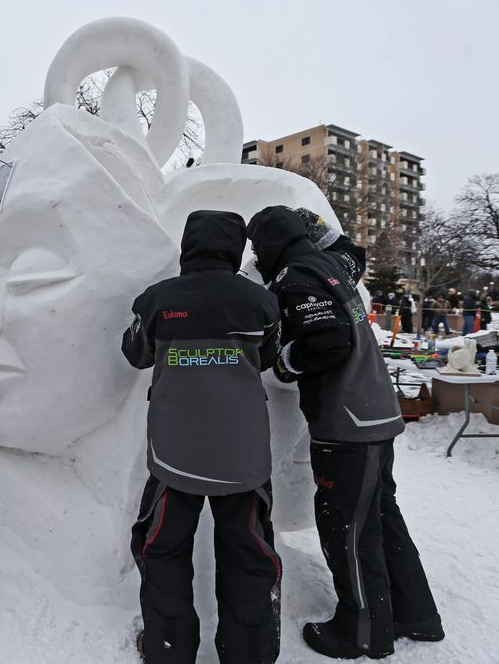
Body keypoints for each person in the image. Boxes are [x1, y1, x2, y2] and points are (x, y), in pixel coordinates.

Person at [246, 205, 443, 660]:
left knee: (348, 530)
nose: (256, 256)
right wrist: (317, 227)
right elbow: (353, 251)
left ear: (272, 241)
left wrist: (284, 362)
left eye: (257, 245)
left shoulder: (296, 277)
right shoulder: (332, 265)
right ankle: (415, 613)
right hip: (374, 414)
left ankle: (362, 632)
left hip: (347, 423)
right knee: (381, 516)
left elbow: (328, 342)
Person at [122, 211, 282, 664]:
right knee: (249, 555)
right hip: (242, 455)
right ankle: (248, 653)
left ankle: (169, 650)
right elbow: (268, 357)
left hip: (175, 456)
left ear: (188, 244)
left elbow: (135, 353)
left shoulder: (158, 300)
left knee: (164, 550)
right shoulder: (261, 302)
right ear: (235, 248)